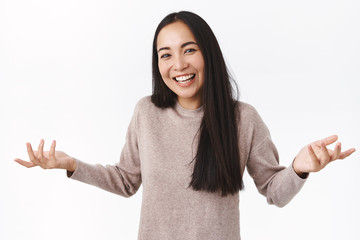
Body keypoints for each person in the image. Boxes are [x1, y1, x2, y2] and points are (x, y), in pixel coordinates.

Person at [15, 11, 356, 240]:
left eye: (188, 50)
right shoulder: (145, 113)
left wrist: (298, 168)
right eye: (165, 54)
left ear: (208, 54)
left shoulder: (243, 119)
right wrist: (70, 164)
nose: (178, 64)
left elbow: (274, 192)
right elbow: (125, 181)